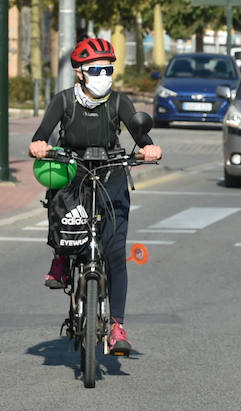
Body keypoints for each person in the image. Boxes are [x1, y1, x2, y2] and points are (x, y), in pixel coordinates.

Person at [30, 38, 163, 355]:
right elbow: (41, 134)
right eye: (95, 69)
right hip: (73, 172)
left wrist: (148, 148)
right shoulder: (64, 101)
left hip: (112, 175)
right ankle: (62, 258)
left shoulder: (119, 102)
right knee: (60, 204)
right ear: (80, 73)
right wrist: (38, 145)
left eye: (108, 69)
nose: (103, 75)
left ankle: (116, 325)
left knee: (116, 252)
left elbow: (140, 133)